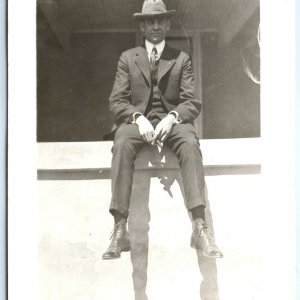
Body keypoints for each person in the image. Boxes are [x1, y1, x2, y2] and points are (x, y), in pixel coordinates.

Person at [102, 0, 222, 260]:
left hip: (171, 125)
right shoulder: (128, 58)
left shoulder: (181, 58)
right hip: (138, 126)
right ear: (142, 26)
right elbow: (116, 101)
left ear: (168, 24)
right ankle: (120, 228)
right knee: (121, 141)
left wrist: (173, 117)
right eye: (150, 21)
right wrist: (137, 117)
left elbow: (192, 101)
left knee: (190, 141)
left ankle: (200, 227)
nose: (155, 25)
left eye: (160, 20)